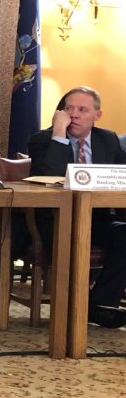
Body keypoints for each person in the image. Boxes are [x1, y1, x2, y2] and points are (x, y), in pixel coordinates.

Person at [28, 85, 126, 328]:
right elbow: (51, 176)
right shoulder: (42, 140)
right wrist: (59, 133)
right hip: (56, 220)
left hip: (98, 218)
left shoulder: (108, 139)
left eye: (82, 110)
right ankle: (84, 308)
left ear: (97, 115)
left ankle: (97, 305)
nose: (74, 115)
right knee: (73, 238)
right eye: (68, 109)